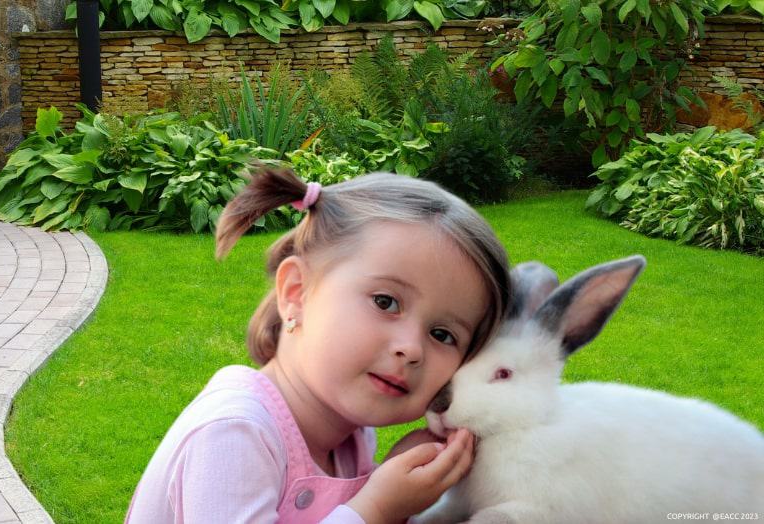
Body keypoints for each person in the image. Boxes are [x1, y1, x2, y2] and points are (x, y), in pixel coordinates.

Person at [126, 167, 511, 523]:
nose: (411, 349)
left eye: (443, 334)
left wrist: (393, 481)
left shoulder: (350, 438)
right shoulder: (234, 433)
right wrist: (377, 507)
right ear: (296, 293)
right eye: (385, 302)